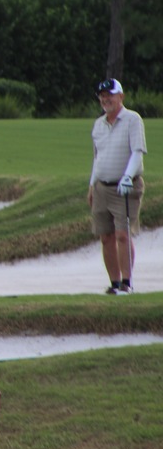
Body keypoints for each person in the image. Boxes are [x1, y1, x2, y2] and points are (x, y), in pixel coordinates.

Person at [88, 78, 147, 295]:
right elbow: (97, 158)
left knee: (123, 235)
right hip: (102, 187)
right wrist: (91, 186)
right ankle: (114, 283)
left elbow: (137, 152)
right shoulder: (99, 124)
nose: (105, 99)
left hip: (125, 187)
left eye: (109, 95)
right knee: (106, 236)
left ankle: (126, 283)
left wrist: (127, 176)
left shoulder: (132, 119)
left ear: (120, 96)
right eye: (102, 96)